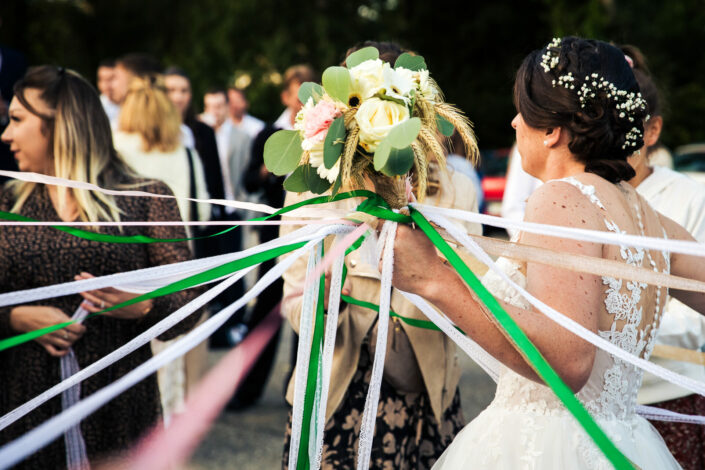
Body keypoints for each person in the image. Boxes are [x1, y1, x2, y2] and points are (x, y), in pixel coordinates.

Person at [389, 37, 705, 469]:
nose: (515, 123)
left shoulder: (561, 198)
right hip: (624, 440)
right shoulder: (646, 214)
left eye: (523, 113)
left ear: (553, 130)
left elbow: (569, 361)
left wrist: (433, 280)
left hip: (548, 445)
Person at [279, 42, 481, 470]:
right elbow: (294, 301)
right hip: (332, 396)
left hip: (423, 397)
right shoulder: (309, 188)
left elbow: (473, 302)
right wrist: (323, 293)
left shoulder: (453, 191)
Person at [0, 66, 198, 468]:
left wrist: (145, 306)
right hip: (24, 406)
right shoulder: (7, 203)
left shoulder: (146, 199)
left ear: (62, 125)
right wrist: (15, 317)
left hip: (119, 409)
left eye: (18, 119)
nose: (5, 134)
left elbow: (192, 304)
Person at [623, 45, 705, 470]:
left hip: (669, 395)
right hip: (588, 399)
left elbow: (697, 319)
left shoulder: (689, 197)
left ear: (652, 130)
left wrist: (598, 327)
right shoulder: (573, 197)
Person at [112, 74, 210, 420]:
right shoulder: (184, 152)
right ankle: (169, 419)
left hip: (126, 262)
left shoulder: (115, 150)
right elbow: (204, 212)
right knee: (172, 342)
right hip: (176, 260)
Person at [96, 59, 120, 123]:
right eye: (101, 79)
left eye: (111, 79)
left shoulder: (131, 106)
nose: (105, 85)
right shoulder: (96, 106)